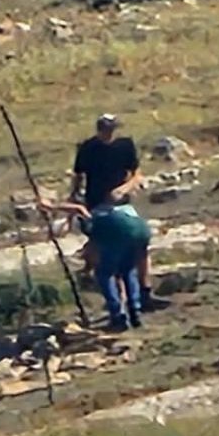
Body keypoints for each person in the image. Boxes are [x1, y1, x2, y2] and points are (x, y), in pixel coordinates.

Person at [71, 114, 153, 307]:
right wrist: (74, 197)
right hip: (97, 203)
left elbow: (136, 174)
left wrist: (124, 188)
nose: (109, 133)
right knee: (108, 249)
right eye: (106, 129)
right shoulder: (88, 148)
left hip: (122, 203)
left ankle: (145, 292)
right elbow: (78, 175)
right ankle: (119, 299)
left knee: (139, 243)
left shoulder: (125, 146)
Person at [41, 195, 151, 332]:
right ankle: (135, 312)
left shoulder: (94, 215)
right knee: (127, 270)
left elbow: (79, 209)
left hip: (117, 229)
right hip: (141, 229)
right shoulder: (115, 209)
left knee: (104, 274)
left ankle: (117, 316)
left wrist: (52, 206)